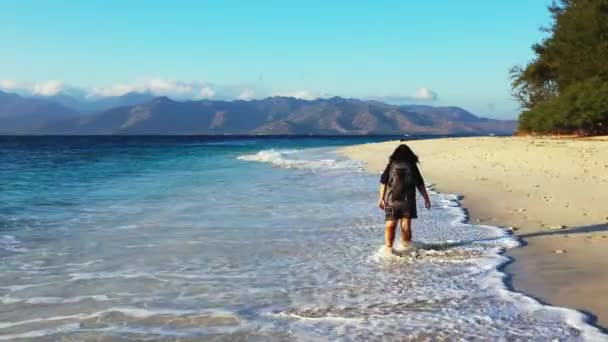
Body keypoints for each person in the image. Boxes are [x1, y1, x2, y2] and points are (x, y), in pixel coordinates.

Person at [378, 144, 431, 250]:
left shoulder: (395, 165)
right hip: (406, 202)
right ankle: (402, 248)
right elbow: (420, 184)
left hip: (394, 200)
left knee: (391, 226)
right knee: (405, 227)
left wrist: (381, 199)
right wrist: (426, 198)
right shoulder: (405, 166)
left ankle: (392, 248)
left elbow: (383, 182)